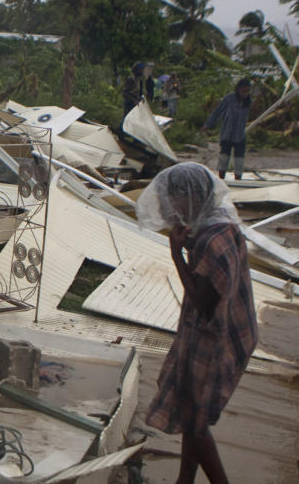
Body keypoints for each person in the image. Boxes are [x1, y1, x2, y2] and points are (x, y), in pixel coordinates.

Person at [136, 163, 256, 484]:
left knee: (197, 424)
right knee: (191, 412)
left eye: (171, 200)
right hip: (229, 331)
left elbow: (204, 304)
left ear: (187, 197)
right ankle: (184, 480)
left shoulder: (210, 241)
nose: (167, 208)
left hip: (214, 337)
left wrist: (176, 255)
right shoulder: (221, 225)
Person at [200, 78, 252, 180]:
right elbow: (217, 112)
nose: (245, 94)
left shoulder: (249, 101)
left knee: (239, 160)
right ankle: (221, 178)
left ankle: (238, 179)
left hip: (240, 135)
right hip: (227, 133)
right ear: (238, 89)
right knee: (224, 157)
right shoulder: (229, 99)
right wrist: (207, 125)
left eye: (247, 91)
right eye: (243, 91)